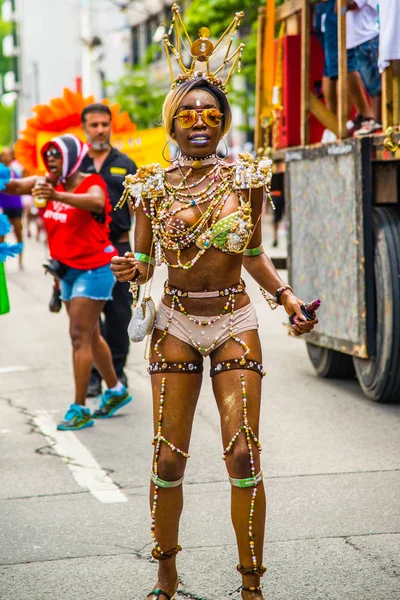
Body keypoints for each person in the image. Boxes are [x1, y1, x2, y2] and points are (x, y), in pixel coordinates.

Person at [110, 9, 318, 599]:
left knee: (242, 450)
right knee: (169, 459)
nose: (200, 122)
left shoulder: (247, 176)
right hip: (175, 319)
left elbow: (251, 252)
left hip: (234, 318)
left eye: (211, 115)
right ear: (171, 123)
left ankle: (251, 584)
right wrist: (133, 268)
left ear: (224, 122)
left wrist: (286, 297)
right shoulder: (150, 185)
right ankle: (166, 574)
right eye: (187, 115)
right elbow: (145, 261)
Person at [1, 134, 132, 430]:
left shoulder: (91, 183)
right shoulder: (47, 181)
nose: (50, 161)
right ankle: (115, 390)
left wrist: (56, 195)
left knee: (78, 336)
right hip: (67, 271)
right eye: (47, 155)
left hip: (96, 268)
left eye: (56, 155)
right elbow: (12, 186)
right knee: (90, 334)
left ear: (71, 158)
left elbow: (96, 202)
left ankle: (80, 408)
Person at [80, 103, 137, 396]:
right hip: (85, 250)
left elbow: (141, 212)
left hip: (119, 246)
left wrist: (140, 256)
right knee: (88, 315)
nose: (100, 129)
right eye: (94, 125)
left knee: (118, 314)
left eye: (104, 124)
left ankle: (117, 371)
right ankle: (92, 375)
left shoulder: (126, 164)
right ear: (84, 128)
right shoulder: (75, 166)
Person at [346, 0, 381, 134]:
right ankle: (374, 119)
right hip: (357, 40)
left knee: (375, 84)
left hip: (368, 37)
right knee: (368, 84)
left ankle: (377, 120)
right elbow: (340, 10)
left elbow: (351, 5)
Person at [0, 147, 24, 269]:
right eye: (3, 155)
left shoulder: (17, 169)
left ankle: (20, 261)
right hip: (4, 208)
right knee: (1, 235)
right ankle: (1, 262)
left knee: (18, 233)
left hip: (16, 207)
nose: (6, 157)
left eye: (8, 155)